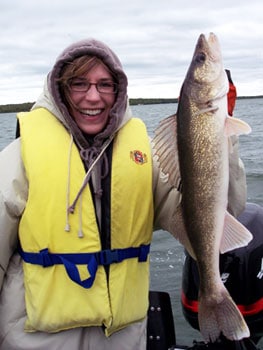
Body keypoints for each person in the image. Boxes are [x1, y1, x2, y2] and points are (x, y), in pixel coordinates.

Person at [0, 39, 247, 350]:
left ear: (119, 92)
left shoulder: (144, 157)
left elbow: (219, 213)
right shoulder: (19, 158)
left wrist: (223, 138)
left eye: (105, 84)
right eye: (79, 84)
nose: (93, 96)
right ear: (60, 88)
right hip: (34, 341)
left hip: (124, 340)